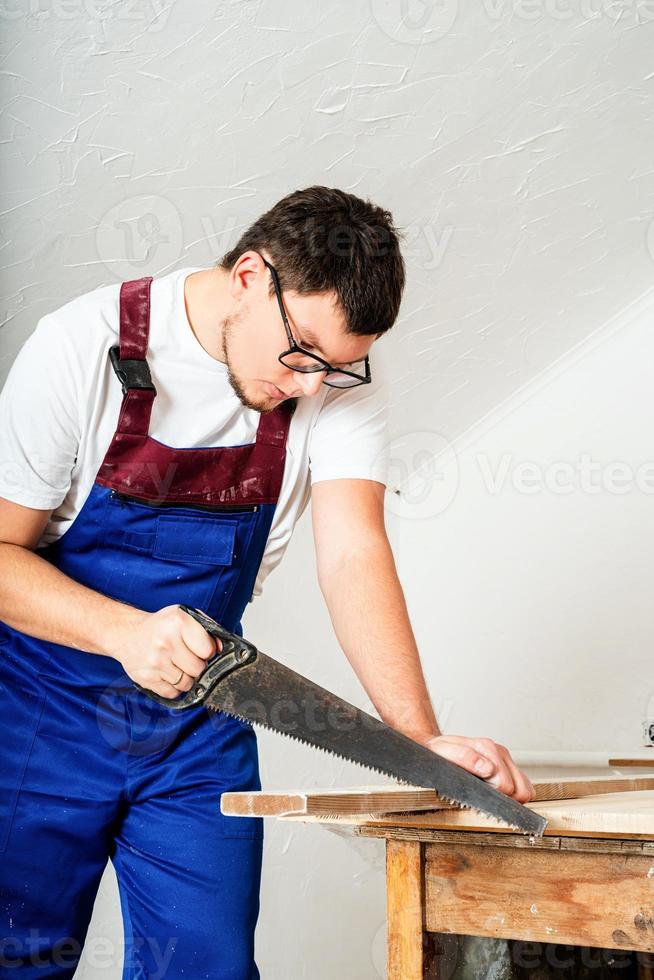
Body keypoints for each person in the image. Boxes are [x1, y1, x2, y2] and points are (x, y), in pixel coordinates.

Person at [0, 185, 534, 978]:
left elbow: (353, 550)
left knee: (209, 966)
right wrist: (121, 633)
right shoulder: (81, 345)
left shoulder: (332, 373)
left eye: (340, 368)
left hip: (194, 732)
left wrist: (417, 740)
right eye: (304, 355)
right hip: (39, 723)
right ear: (250, 275)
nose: (315, 385)